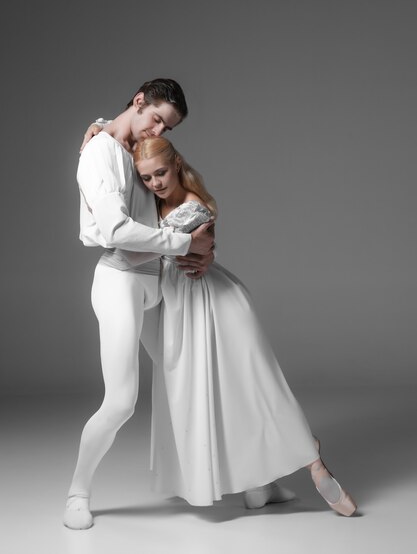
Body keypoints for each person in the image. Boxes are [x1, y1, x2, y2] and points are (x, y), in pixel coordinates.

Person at [133, 136, 357, 516]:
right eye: (146, 177)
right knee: (223, 394)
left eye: (160, 173)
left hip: (210, 302)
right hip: (184, 306)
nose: (154, 183)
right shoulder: (156, 201)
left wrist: (198, 251)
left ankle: (315, 463)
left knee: (255, 387)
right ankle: (258, 485)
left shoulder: (191, 207)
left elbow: (180, 248)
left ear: (176, 165)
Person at [64, 79, 215, 530]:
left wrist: (193, 248)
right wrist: (183, 243)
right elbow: (115, 232)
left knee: (194, 380)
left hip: (159, 279)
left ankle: (249, 484)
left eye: (168, 127)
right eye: (156, 118)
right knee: (122, 401)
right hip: (120, 280)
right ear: (138, 102)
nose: (159, 132)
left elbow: (164, 196)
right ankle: (77, 492)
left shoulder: (130, 145)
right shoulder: (99, 153)